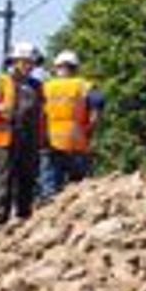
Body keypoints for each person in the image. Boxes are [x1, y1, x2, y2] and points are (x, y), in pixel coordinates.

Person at [0, 44, 45, 225]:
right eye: (25, 62)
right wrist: (0, 107)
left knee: (27, 177)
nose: (29, 66)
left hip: (28, 137)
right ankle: (1, 218)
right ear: (15, 61)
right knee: (4, 178)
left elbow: (41, 111)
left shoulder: (36, 85)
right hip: (3, 137)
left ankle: (24, 216)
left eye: (31, 63)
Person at [39, 49, 101, 198]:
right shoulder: (85, 86)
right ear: (76, 68)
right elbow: (95, 112)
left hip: (51, 142)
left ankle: (50, 215)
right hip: (77, 141)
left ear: (56, 67)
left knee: (50, 186)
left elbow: (37, 115)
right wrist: (89, 133)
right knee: (79, 188)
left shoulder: (45, 87)